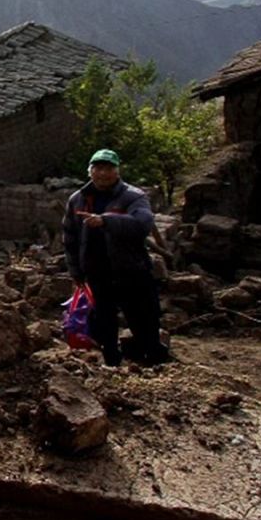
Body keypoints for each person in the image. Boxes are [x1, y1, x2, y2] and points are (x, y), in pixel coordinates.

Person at [62, 148, 170, 367]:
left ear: (117, 172)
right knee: (104, 322)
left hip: (131, 270)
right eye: (98, 168)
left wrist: (106, 221)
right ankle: (112, 364)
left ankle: (153, 363)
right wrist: (75, 271)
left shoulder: (133, 197)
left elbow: (142, 224)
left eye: (108, 168)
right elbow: (70, 238)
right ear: (90, 171)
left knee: (143, 318)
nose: (103, 174)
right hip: (96, 272)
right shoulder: (78, 199)